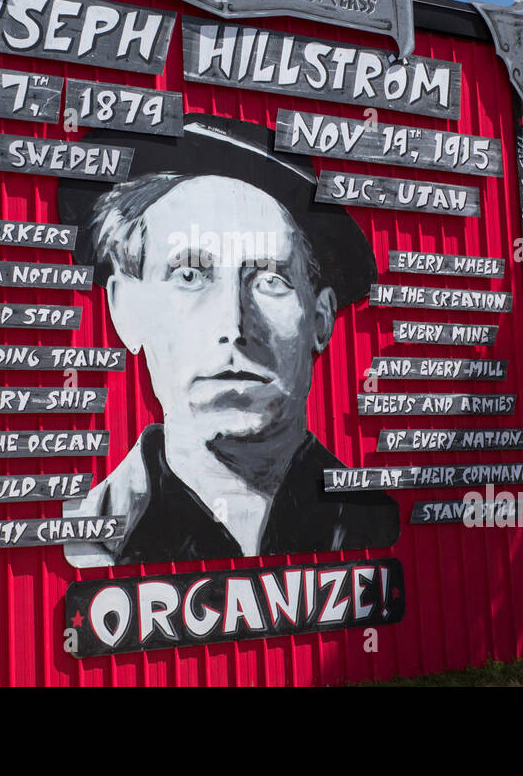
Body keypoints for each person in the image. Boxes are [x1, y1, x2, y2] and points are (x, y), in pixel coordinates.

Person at [59, 113, 399, 567]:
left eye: (270, 280)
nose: (234, 326)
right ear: (126, 309)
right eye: (190, 275)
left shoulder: (373, 523)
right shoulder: (89, 540)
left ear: (319, 319)